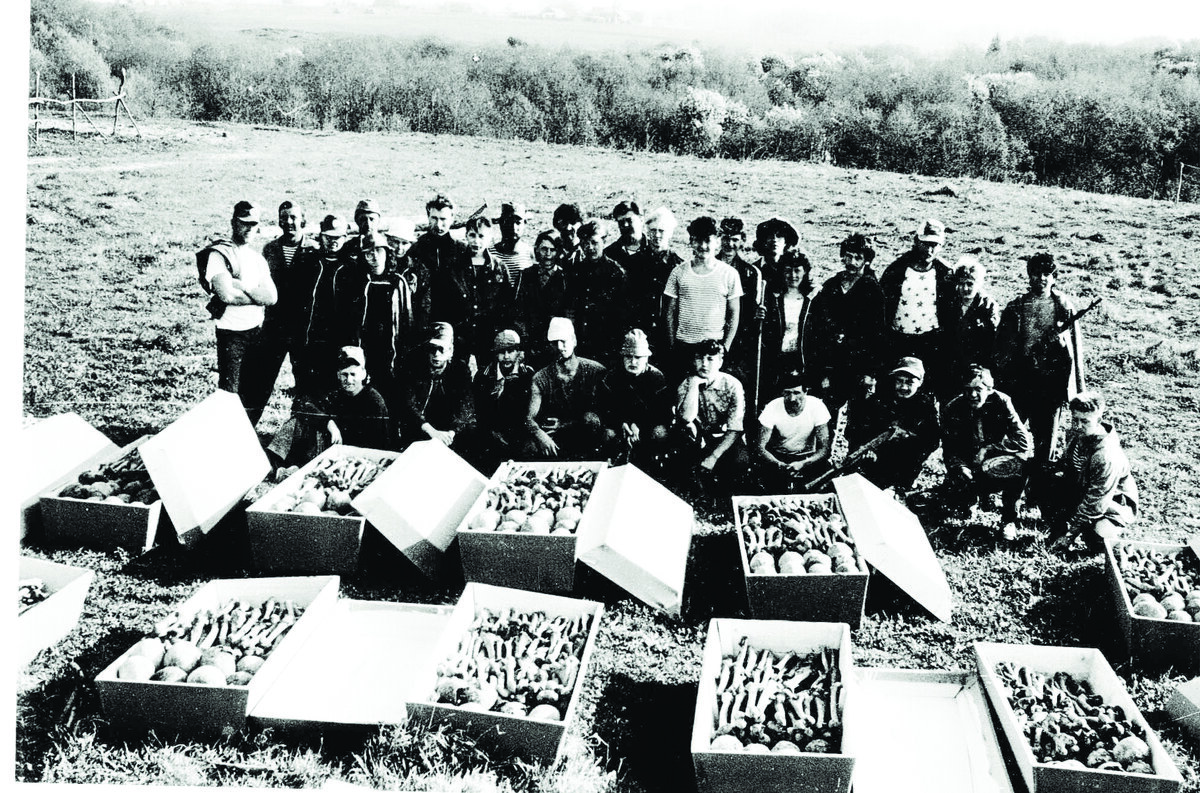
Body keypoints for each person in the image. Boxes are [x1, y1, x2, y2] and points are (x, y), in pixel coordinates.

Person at [995, 252, 1085, 467]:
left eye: (1047, 274)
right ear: (1029, 276)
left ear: (1054, 277)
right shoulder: (1016, 306)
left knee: (1046, 441)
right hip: (1019, 380)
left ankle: (1038, 492)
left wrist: (1059, 341)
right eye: (1036, 274)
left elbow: (1073, 352)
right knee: (1008, 435)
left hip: (1049, 383)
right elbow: (1001, 347)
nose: (1041, 278)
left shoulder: (1063, 307)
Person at [240, 200, 322, 426]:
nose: (288, 222)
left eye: (293, 217)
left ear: (303, 220)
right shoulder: (270, 250)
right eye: (283, 217)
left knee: (306, 384)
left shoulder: (315, 251)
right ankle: (244, 428)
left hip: (304, 330)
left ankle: (301, 432)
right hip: (274, 328)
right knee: (258, 382)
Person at [197, 200, 277, 406]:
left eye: (254, 224)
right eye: (244, 222)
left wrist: (242, 285)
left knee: (252, 391)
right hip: (232, 334)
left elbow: (271, 297)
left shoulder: (257, 259)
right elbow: (227, 296)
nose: (249, 228)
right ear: (234, 222)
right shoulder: (219, 254)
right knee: (229, 393)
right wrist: (255, 297)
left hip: (256, 332)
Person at [1035, 392, 1138, 553]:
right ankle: (1058, 530)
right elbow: (1067, 465)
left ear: (1098, 420)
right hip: (1082, 490)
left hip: (1111, 503)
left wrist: (1070, 535)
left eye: (1085, 421)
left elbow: (1096, 502)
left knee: (1100, 538)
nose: (1077, 425)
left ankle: (1105, 532)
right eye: (1075, 419)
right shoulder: (1077, 434)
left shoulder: (1106, 456)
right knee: (1042, 481)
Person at [939, 366, 1033, 540]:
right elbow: (949, 448)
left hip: (994, 460)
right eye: (968, 390)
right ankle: (970, 500)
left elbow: (1023, 440)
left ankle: (1008, 520)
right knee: (958, 492)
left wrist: (989, 448)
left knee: (1020, 464)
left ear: (989, 390)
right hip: (967, 463)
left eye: (978, 390)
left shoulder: (1002, 401)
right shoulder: (953, 408)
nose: (972, 395)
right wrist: (960, 467)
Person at [803, 232, 886, 415]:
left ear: (866, 261)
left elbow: (878, 333)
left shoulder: (873, 289)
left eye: (858, 258)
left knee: (858, 419)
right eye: (848, 256)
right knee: (824, 414)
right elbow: (817, 324)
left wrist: (870, 372)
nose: (853, 262)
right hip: (831, 363)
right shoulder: (831, 285)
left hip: (858, 364)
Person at [266, 346, 389, 467]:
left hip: (357, 457)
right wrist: (330, 424)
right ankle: (275, 463)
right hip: (333, 448)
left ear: (363, 374)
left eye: (353, 374)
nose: (349, 379)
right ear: (338, 375)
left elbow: (378, 443)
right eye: (344, 374)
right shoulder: (337, 394)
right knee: (298, 421)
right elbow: (304, 405)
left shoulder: (374, 400)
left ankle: (293, 466)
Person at [879, 218, 956, 399]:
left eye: (934, 245)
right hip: (898, 339)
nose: (929, 250)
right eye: (925, 244)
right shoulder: (897, 270)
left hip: (930, 342)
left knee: (926, 390)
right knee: (895, 387)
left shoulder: (945, 273)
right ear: (916, 241)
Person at [845, 356, 940, 498]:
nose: (903, 387)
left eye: (909, 383)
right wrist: (863, 447)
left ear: (919, 383)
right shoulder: (878, 400)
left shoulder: (925, 407)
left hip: (902, 463)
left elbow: (932, 441)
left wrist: (907, 437)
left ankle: (899, 488)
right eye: (899, 381)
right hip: (872, 459)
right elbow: (854, 429)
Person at [662, 216, 743, 382]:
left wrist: (724, 347)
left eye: (708, 240)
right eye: (698, 240)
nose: (703, 246)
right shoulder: (679, 272)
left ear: (717, 242)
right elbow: (669, 312)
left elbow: (734, 314)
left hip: (714, 347)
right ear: (691, 242)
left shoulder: (729, 274)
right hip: (684, 345)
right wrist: (672, 345)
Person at [333, 230, 410, 400]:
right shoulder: (356, 282)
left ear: (387, 252)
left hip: (390, 348)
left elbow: (406, 320)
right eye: (368, 253)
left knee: (389, 392)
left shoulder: (398, 282)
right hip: (364, 345)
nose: (374, 257)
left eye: (378, 251)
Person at [432, 215, 510, 372]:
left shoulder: (499, 268)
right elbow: (441, 303)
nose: (476, 241)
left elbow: (507, 304)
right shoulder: (452, 267)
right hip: (460, 335)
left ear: (490, 238)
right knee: (456, 375)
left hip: (488, 335)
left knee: (488, 376)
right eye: (472, 235)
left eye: (481, 236)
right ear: (466, 236)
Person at [671, 338, 748, 493]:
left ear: (720, 362)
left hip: (725, 436)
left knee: (740, 460)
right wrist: (694, 385)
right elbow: (686, 417)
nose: (704, 364)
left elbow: (735, 428)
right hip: (698, 436)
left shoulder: (733, 386)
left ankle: (726, 494)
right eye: (700, 358)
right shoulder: (687, 383)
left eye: (710, 359)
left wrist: (713, 457)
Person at [524, 317, 607, 460]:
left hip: (586, 432)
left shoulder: (595, 371)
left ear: (574, 341)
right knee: (529, 447)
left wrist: (565, 425)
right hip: (557, 436)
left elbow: (603, 413)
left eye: (564, 341)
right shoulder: (541, 378)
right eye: (555, 343)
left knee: (591, 421)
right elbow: (529, 418)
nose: (560, 347)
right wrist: (540, 434)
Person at [393, 322, 476, 454]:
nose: (436, 354)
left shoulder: (460, 370)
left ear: (450, 350)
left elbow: (466, 406)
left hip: (449, 436)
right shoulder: (413, 366)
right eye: (432, 349)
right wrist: (431, 431)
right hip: (420, 431)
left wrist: (451, 433)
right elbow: (407, 404)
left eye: (441, 349)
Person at [597, 329, 672, 470]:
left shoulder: (656, 378)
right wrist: (623, 423)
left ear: (646, 358)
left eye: (638, 357)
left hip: (647, 427)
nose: (633, 362)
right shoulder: (612, 377)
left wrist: (640, 426)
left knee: (660, 432)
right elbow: (607, 408)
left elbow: (661, 412)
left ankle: (656, 466)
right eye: (628, 357)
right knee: (608, 434)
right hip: (621, 426)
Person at [758, 217, 814, 397]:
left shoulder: (812, 297)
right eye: (770, 236)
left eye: (779, 236)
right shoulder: (755, 274)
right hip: (772, 356)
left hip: (800, 357)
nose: (774, 240)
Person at [753, 370, 833, 493]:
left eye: (797, 393)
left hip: (808, 458)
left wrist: (804, 463)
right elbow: (760, 446)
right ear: (782, 392)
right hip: (779, 457)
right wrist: (779, 464)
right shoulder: (772, 407)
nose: (792, 398)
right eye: (787, 393)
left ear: (806, 392)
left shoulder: (817, 406)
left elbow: (825, 448)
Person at [299, 214, 351, 390]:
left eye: (337, 238)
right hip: (310, 337)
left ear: (345, 238)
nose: (333, 242)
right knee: (307, 387)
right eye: (328, 237)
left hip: (338, 339)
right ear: (321, 236)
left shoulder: (352, 268)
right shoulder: (308, 262)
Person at [472, 329, 535, 471]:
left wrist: (514, 374)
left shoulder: (528, 374)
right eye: (501, 352)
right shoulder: (483, 376)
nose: (506, 356)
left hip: (517, 434)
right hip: (491, 433)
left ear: (519, 353)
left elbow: (523, 410)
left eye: (511, 351)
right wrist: (492, 433)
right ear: (495, 354)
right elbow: (480, 412)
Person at [722, 217, 767, 408]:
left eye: (734, 239)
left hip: (740, 343)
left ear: (742, 241)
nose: (729, 244)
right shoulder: (709, 266)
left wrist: (759, 314)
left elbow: (751, 312)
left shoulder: (751, 273)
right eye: (725, 238)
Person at [511, 230, 571, 371]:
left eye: (552, 250)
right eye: (544, 249)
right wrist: (524, 343)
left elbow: (569, 313)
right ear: (537, 250)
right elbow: (518, 311)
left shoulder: (564, 278)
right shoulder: (525, 275)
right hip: (530, 344)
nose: (548, 254)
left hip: (556, 345)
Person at [570, 221, 628, 364]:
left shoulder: (616, 273)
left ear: (603, 241)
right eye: (584, 243)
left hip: (607, 342)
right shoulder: (576, 271)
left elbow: (623, 313)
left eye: (594, 242)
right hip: (581, 341)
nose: (589, 247)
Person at [944, 256, 1001, 397]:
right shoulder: (950, 303)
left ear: (979, 283)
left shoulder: (988, 306)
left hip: (977, 365)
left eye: (970, 284)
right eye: (961, 284)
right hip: (952, 363)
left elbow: (994, 341)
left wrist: (985, 367)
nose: (965, 288)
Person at [635, 207, 684, 360]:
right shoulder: (635, 262)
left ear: (670, 233)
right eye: (653, 230)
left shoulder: (679, 265)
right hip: (641, 331)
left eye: (661, 231)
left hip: (668, 333)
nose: (656, 235)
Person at [409, 193, 465, 276]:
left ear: (452, 218)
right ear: (428, 217)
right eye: (434, 218)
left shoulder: (462, 249)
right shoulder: (416, 248)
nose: (438, 225)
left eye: (443, 219)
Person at [488, 202, 535, 285]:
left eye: (518, 223)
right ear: (501, 224)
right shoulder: (489, 253)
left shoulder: (530, 254)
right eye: (508, 222)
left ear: (524, 224)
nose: (513, 227)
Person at [551, 202, 584, 273]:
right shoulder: (554, 253)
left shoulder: (589, 254)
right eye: (564, 232)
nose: (568, 227)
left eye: (572, 222)